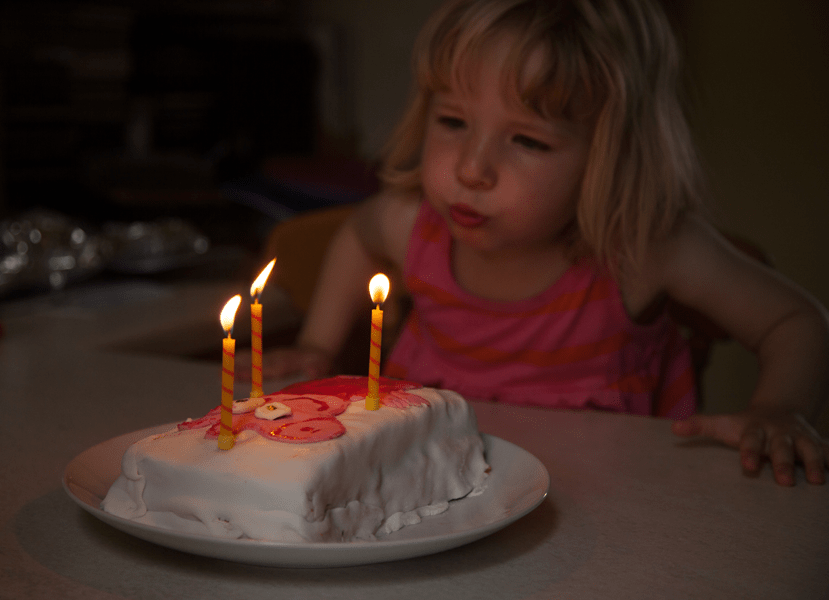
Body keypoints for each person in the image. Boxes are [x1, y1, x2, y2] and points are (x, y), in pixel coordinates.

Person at [260, 0, 829, 485]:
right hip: (435, 495)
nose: (473, 168)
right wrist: (318, 343)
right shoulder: (411, 225)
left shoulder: (642, 251)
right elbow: (357, 237)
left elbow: (796, 322)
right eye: (453, 122)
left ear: (611, 157)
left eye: (528, 141)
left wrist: (777, 408)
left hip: (615, 515)